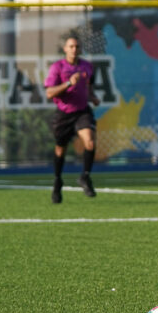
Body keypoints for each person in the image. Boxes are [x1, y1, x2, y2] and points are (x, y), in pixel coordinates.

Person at [44, 36, 101, 204]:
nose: (74, 49)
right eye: (71, 46)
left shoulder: (87, 66)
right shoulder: (57, 67)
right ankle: (57, 181)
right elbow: (49, 93)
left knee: (89, 142)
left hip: (82, 112)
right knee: (60, 150)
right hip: (64, 114)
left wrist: (93, 98)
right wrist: (68, 83)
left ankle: (85, 176)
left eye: (77, 46)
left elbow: (88, 88)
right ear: (65, 49)